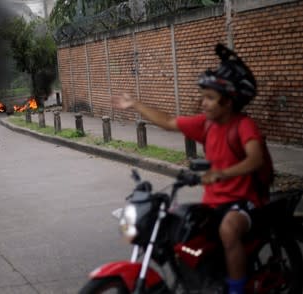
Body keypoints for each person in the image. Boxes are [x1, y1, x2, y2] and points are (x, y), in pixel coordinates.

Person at [112, 44, 264, 294]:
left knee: (228, 229)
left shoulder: (244, 125)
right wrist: (136, 105)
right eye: (203, 96)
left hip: (244, 201)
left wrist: (222, 173)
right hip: (214, 203)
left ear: (228, 102)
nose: (203, 103)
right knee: (180, 230)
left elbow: (255, 159)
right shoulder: (206, 125)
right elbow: (170, 122)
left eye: (210, 98)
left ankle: (237, 289)